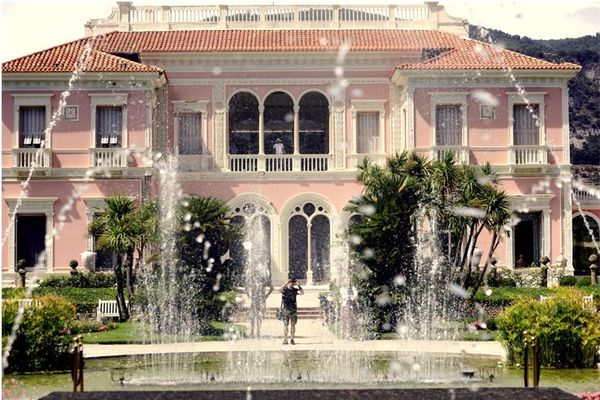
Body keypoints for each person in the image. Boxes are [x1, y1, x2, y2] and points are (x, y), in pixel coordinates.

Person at [247, 262, 273, 338]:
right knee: (252, 315)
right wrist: (249, 296)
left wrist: (266, 296)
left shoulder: (263, 280)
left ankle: (258, 331)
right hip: (254, 299)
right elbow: (246, 286)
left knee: (260, 315)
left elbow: (272, 288)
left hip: (261, 300)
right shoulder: (252, 280)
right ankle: (252, 332)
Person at [279, 278, 304, 345]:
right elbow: (279, 289)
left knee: (293, 325)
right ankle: (285, 338)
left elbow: (302, 293)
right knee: (285, 325)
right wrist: (286, 282)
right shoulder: (285, 290)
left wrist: (299, 286)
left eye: (292, 283)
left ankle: (292, 338)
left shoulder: (294, 290)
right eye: (290, 282)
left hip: (293, 310)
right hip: (286, 310)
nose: (291, 284)